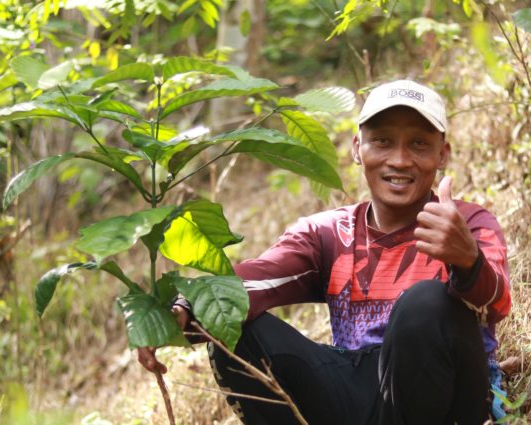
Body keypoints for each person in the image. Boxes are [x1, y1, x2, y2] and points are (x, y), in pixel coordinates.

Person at [138, 80, 511, 425]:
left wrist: (468, 260)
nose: (399, 160)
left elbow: (499, 302)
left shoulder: (465, 223)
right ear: (357, 149)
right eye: (382, 141)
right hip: (356, 387)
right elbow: (258, 279)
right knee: (237, 332)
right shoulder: (328, 234)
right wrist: (180, 310)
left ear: (442, 154)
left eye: (418, 144)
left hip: (445, 398)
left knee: (426, 302)